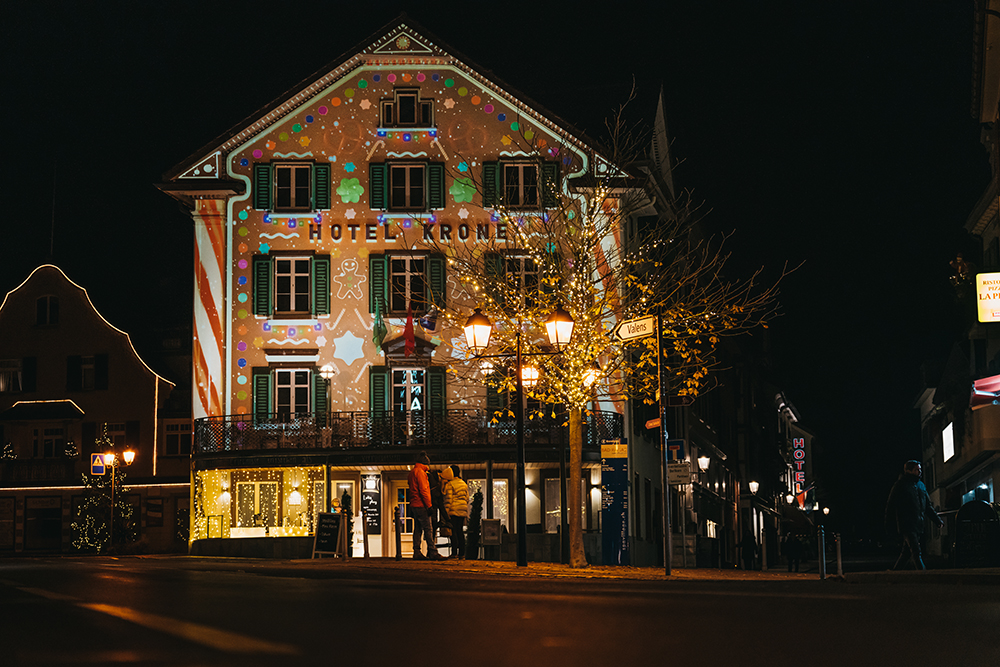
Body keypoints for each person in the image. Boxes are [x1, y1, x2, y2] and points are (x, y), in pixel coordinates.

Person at [884, 460, 943, 570]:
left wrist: (937, 520)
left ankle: (895, 573)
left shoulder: (920, 485)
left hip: (917, 523)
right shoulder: (900, 485)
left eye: (919, 469)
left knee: (906, 553)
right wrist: (889, 525)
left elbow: (927, 506)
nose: (919, 472)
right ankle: (923, 573)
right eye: (917, 470)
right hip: (906, 523)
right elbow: (890, 506)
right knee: (916, 550)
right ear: (909, 471)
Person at [407, 451, 443, 560]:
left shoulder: (412, 472)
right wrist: (429, 506)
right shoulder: (421, 473)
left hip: (414, 504)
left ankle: (416, 551)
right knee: (428, 528)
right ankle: (433, 552)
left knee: (418, 529)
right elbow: (424, 490)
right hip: (421, 504)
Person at [440, 465, 469, 559]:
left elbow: (448, 500)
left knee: (453, 532)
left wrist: (446, 514)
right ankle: (462, 553)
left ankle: (454, 553)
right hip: (462, 511)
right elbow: (467, 498)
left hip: (453, 511)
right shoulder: (464, 484)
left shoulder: (450, 484)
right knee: (460, 532)